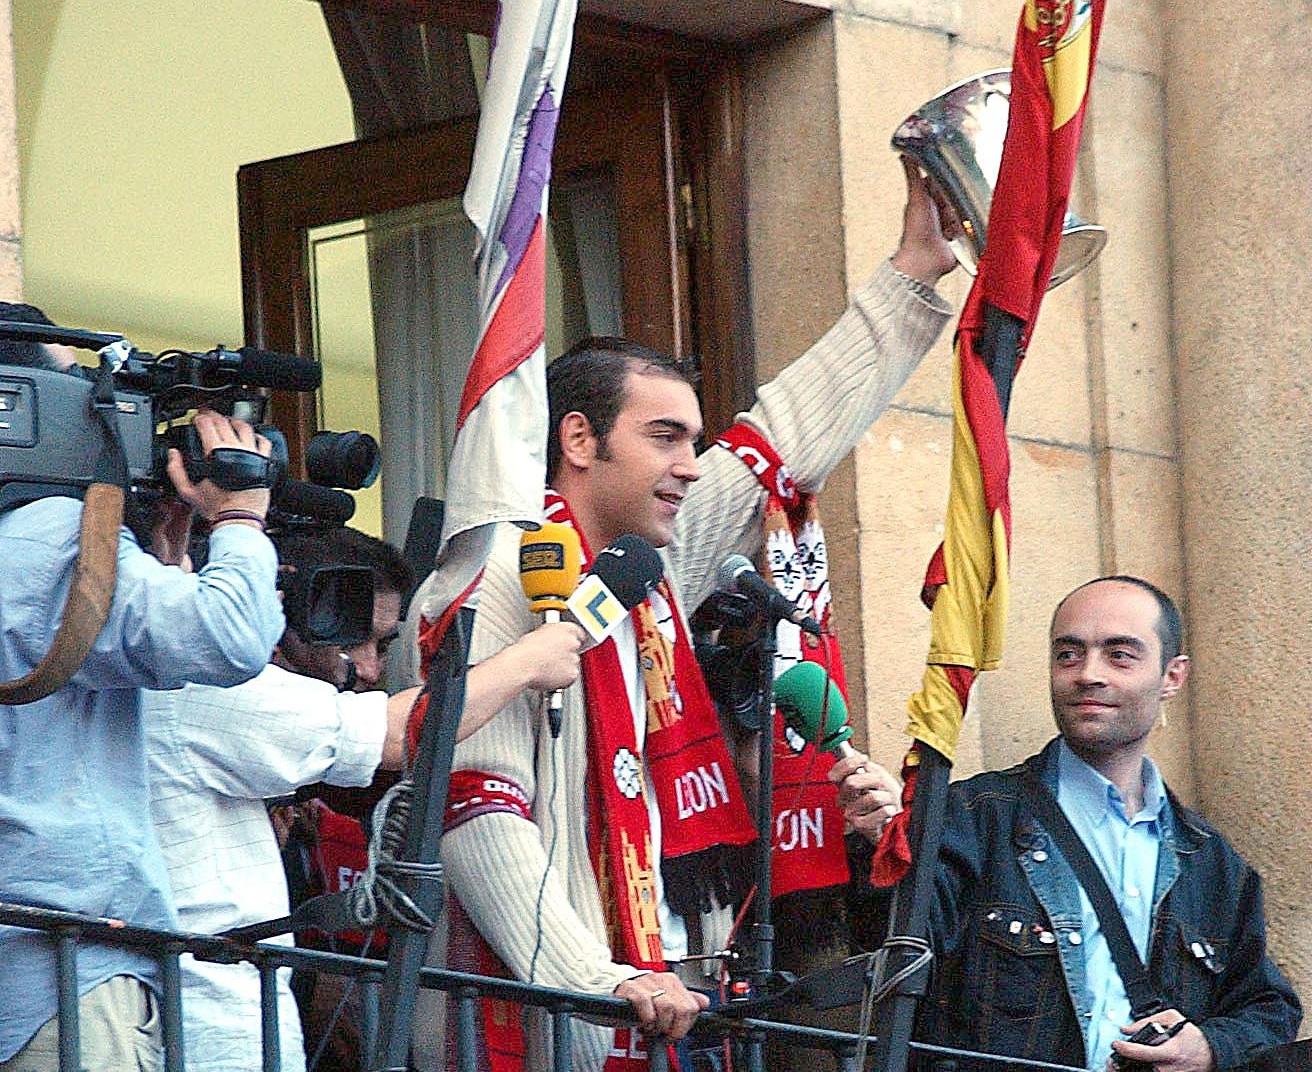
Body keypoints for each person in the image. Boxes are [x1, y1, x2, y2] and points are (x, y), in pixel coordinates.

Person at [421, 160, 961, 1072]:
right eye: (664, 436)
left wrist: (912, 271)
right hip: (574, 1019)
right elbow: (481, 814)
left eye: (694, 441)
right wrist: (599, 980)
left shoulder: (653, 565)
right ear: (580, 441)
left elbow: (782, 434)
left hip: (677, 1008)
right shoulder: (507, 571)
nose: (690, 464)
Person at [144, 524, 587, 1072]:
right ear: (279, 609)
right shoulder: (204, 683)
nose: (372, 669)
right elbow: (403, 734)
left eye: (381, 645)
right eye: (349, 637)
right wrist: (528, 660)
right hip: (201, 1029)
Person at [832, 576, 1302, 1072]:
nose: (1088, 674)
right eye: (1069, 654)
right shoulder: (971, 816)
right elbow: (892, 960)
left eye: (1120, 655)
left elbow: (1269, 1008)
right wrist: (881, 843)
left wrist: (1208, 1049)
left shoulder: (1211, 861)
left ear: (1172, 677)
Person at [0, 304, 285, 1070]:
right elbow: (228, 637)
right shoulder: (53, 536)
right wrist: (240, 515)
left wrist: (154, 556)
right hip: (59, 978)